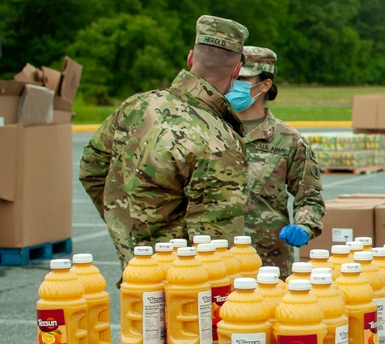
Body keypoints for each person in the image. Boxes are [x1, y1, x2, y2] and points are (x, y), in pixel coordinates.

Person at [80, 15, 250, 268]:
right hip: (185, 285)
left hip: (136, 272)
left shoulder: (136, 107)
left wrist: (126, 228)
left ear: (191, 58)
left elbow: (91, 169)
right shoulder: (219, 140)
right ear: (236, 70)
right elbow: (217, 245)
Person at [230, 46, 325, 278]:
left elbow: (310, 198)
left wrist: (303, 226)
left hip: (268, 263)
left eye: (242, 78)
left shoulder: (288, 140)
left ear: (265, 85)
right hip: (215, 260)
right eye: (232, 76)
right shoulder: (209, 130)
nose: (233, 84)